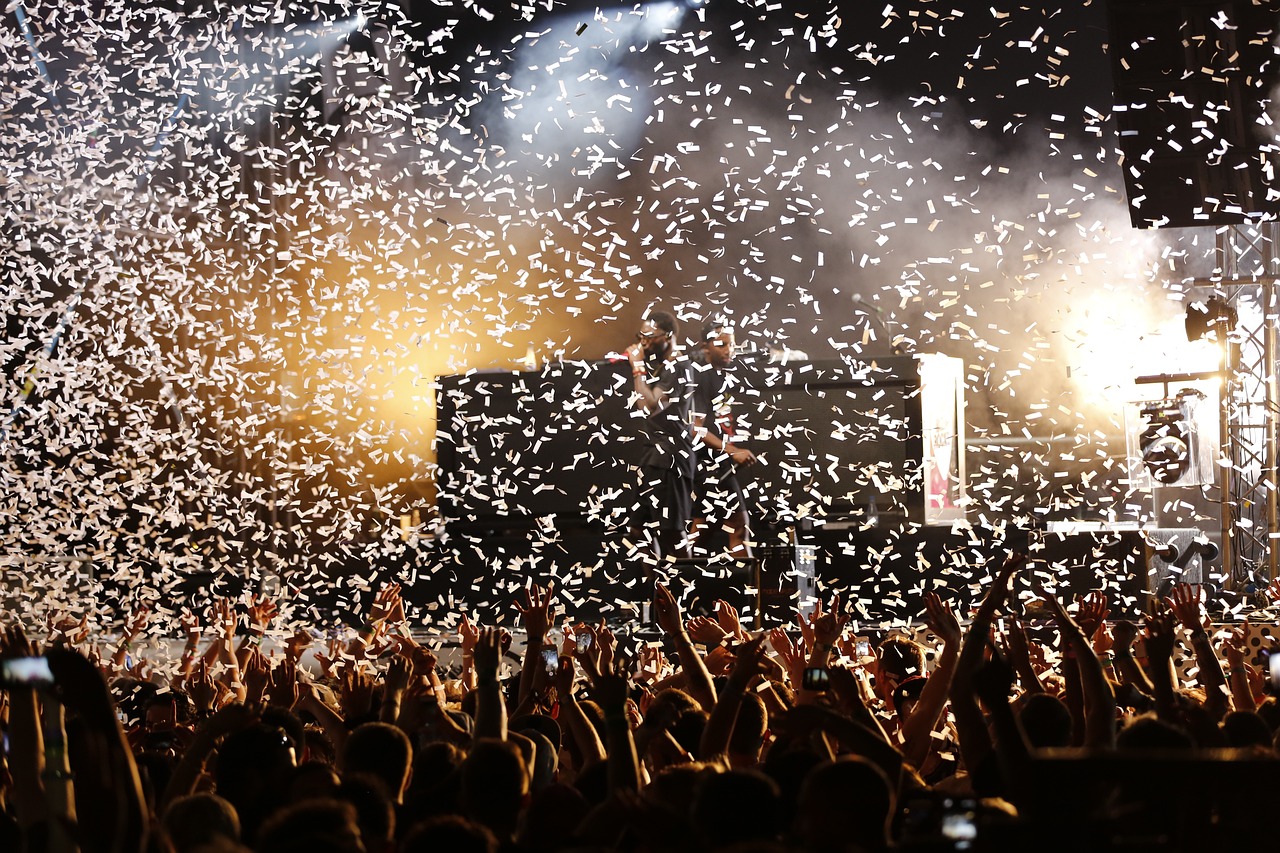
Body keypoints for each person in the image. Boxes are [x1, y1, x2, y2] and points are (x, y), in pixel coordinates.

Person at [624, 310, 695, 560]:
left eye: (649, 337)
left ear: (668, 336)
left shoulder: (678, 367)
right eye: (640, 337)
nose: (643, 343)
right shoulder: (663, 365)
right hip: (653, 457)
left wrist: (638, 368)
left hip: (670, 460)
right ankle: (658, 592)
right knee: (637, 531)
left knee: (671, 535)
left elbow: (649, 406)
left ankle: (685, 595)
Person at [686, 315, 757, 558]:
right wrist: (732, 450)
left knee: (706, 532)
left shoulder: (719, 375)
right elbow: (695, 428)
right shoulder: (701, 376)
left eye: (731, 344)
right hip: (707, 466)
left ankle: (686, 586)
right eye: (721, 344)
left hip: (718, 464)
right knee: (730, 528)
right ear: (704, 346)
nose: (729, 350)